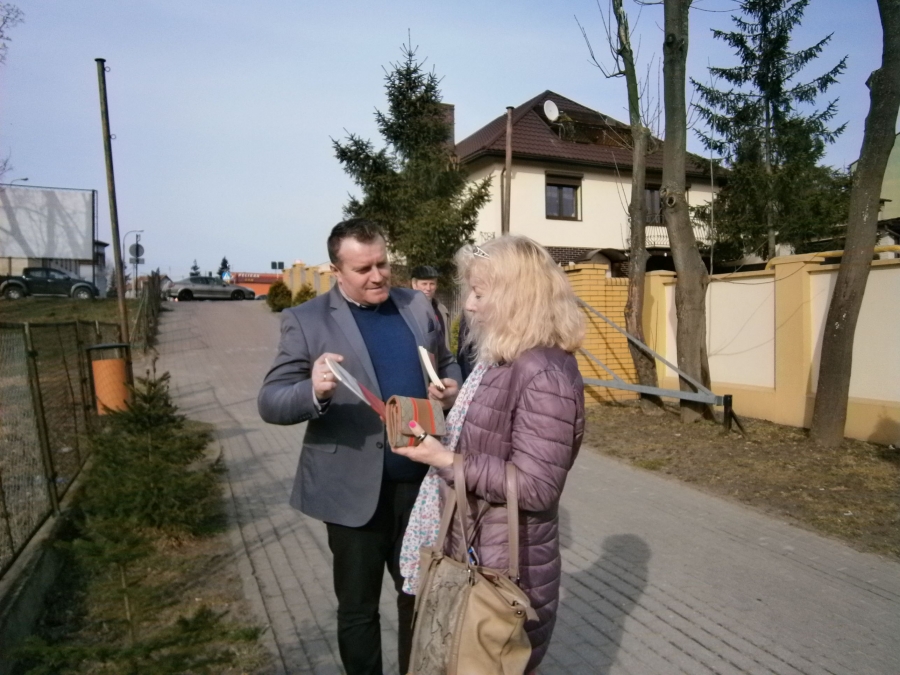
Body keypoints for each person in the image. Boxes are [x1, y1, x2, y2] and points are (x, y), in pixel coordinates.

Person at [257, 218, 461, 675]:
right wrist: (314, 391)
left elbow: (447, 361)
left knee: (420, 601)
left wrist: (452, 387)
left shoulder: (417, 305)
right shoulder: (306, 320)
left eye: (382, 264)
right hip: (352, 495)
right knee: (358, 609)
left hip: (421, 487)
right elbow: (271, 401)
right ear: (336, 271)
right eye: (363, 269)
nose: (377, 276)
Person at [392, 234, 585, 674]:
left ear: (517, 298)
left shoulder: (544, 373)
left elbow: (536, 487)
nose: (469, 306)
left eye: (479, 294)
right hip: (479, 552)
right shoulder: (505, 357)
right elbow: (494, 431)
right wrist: (456, 401)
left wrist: (446, 461)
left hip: (504, 569)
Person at [409, 264, 451, 350]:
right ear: (414, 285)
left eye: (432, 284)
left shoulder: (442, 310)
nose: (428, 288)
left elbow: (446, 342)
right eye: (424, 284)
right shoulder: (407, 311)